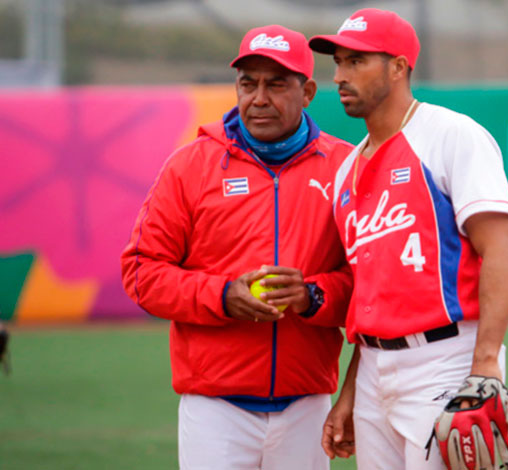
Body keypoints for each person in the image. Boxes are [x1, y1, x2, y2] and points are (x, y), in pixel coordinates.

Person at [121, 25, 353, 470]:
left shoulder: (345, 167)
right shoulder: (189, 166)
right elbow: (141, 272)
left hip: (307, 404)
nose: (259, 98)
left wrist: (313, 295)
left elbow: (369, 279)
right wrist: (224, 296)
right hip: (214, 408)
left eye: (276, 84)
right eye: (248, 84)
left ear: (307, 92)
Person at [308, 8, 508, 469]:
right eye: (338, 63)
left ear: (399, 67)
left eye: (356, 62)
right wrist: (349, 391)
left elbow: (501, 249)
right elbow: (370, 297)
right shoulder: (347, 171)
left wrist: (484, 364)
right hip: (373, 373)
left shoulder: (450, 136)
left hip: (444, 360)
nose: (341, 76)